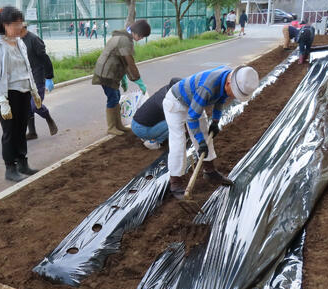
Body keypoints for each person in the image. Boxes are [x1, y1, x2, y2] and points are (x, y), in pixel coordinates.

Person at [163, 65, 259, 199]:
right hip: (176, 102)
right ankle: (175, 183)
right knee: (178, 141)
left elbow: (220, 98)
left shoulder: (230, 77)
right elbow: (191, 118)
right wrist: (201, 142)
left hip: (195, 100)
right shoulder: (207, 87)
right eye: (234, 93)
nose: (233, 97)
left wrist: (215, 121)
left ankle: (209, 171)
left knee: (204, 133)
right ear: (228, 84)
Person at [0, 6, 41, 182]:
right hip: (7, 95)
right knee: (10, 131)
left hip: (23, 92)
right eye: (16, 24)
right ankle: (10, 168)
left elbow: (27, 68)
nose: (20, 27)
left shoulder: (19, 42)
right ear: (4, 25)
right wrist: (2, 101)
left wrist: (34, 91)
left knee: (21, 128)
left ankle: (23, 163)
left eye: (21, 23)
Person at [92, 19, 151, 136]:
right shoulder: (125, 40)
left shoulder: (123, 37)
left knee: (116, 96)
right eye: (142, 36)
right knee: (113, 98)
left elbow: (121, 59)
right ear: (137, 33)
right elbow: (129, 63)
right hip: (106, 73)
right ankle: (111, 127)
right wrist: (138, 80)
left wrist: (124, 77)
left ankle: (118, 125)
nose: (141, 39)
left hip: (109, 71)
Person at [20, 25, 58, 140]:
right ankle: (32, 132)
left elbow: (45, 58)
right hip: (25, 78)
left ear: (22, 26)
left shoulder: (34, 39)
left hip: (38, 77)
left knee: (35, 105)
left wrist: (49, 77)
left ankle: (48, 118)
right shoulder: (17, 40)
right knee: (26, 106)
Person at [131, 77, 181, 150]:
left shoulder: (166, 89)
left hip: (136, 123)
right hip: (141, 128)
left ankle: (146, 136)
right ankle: (153, 142)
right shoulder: (166, 101)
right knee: (175, 122)